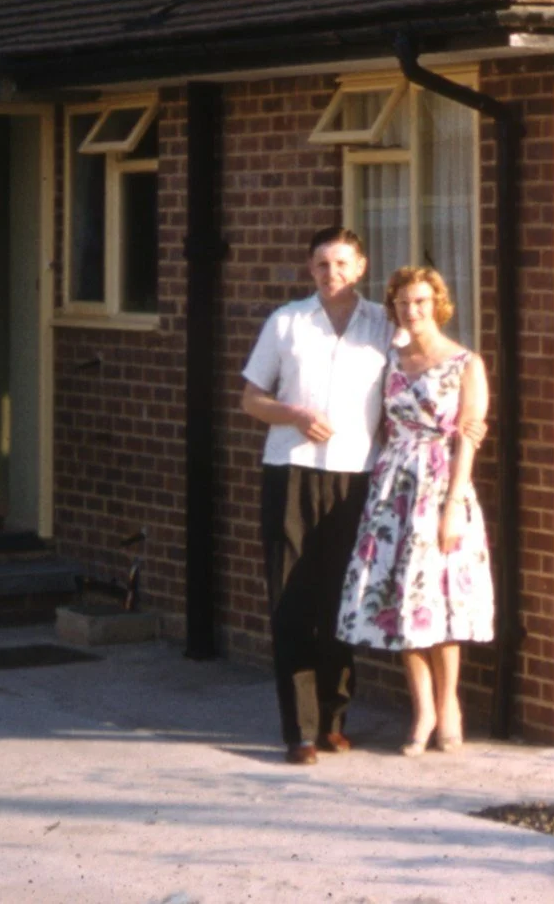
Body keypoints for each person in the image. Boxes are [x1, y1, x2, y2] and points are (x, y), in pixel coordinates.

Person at [240, 225, 391, 766]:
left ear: (362, 267)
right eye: (323, 265)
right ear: (310, 269)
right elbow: (251, 400)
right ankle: (299, 731)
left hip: (357, 478)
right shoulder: (286, 323)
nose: (334, 274)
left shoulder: (383, 325)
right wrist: (296, 414)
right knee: (291, 600)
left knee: (341, 600)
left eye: (344, 264)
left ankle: (334, 718)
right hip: (293, 472)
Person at [337, 263, 494, 754]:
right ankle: (421, 710)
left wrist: (452, 506)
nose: (413, 310)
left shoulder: (467, 363)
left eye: (422, 301)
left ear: (439, 304)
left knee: (440, 603)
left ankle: (450, 707)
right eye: (404, 302)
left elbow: (469, 436)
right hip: (393, 490)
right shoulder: (391, 359)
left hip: (442, 487)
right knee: (402, 601)